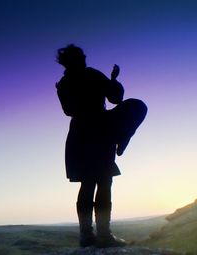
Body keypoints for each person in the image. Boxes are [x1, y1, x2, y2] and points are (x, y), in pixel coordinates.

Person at [55, 44, 147, 248]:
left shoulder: (63, 83)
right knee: (104, 181)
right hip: (99, 129)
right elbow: (116, 99)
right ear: (79, 59)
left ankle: (87, 236)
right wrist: (113, 80)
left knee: (88, 183)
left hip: (80, 133)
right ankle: (103, 235)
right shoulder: (91, 75)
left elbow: (68, 111)